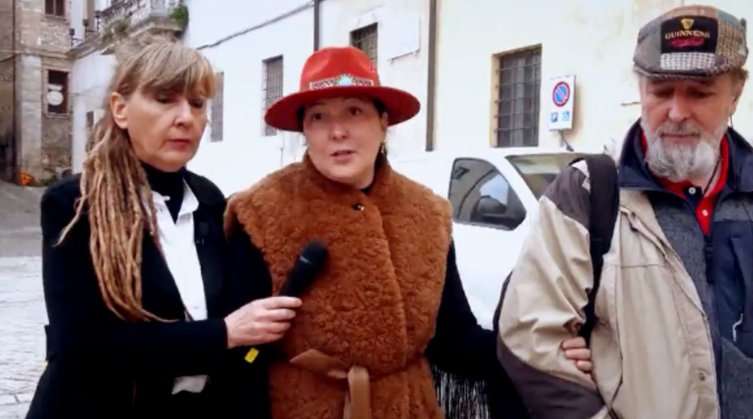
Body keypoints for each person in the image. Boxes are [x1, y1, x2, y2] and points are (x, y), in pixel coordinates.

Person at [222, 46, 592, 419]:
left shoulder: (427, 214)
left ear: (383, 121)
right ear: (304, 129)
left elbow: (455, 340)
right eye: (318, 117)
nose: (337, 131)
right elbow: (244, 359)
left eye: (354, 111)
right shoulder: (264, 212)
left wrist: (541, 353)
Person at [498, 5, 753, 419]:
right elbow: (532, 339)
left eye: (699, 93)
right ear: (640, 89)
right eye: (661, 91)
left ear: (736, 93)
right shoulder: (589, 194)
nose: (677, 113)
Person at [26, 38, 302, 419]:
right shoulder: (75, 204)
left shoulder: (209, 200)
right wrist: (225, 333)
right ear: (120, 109)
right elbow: (85, 346)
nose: (185, 117)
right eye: (164, 99)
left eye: (197, 103)